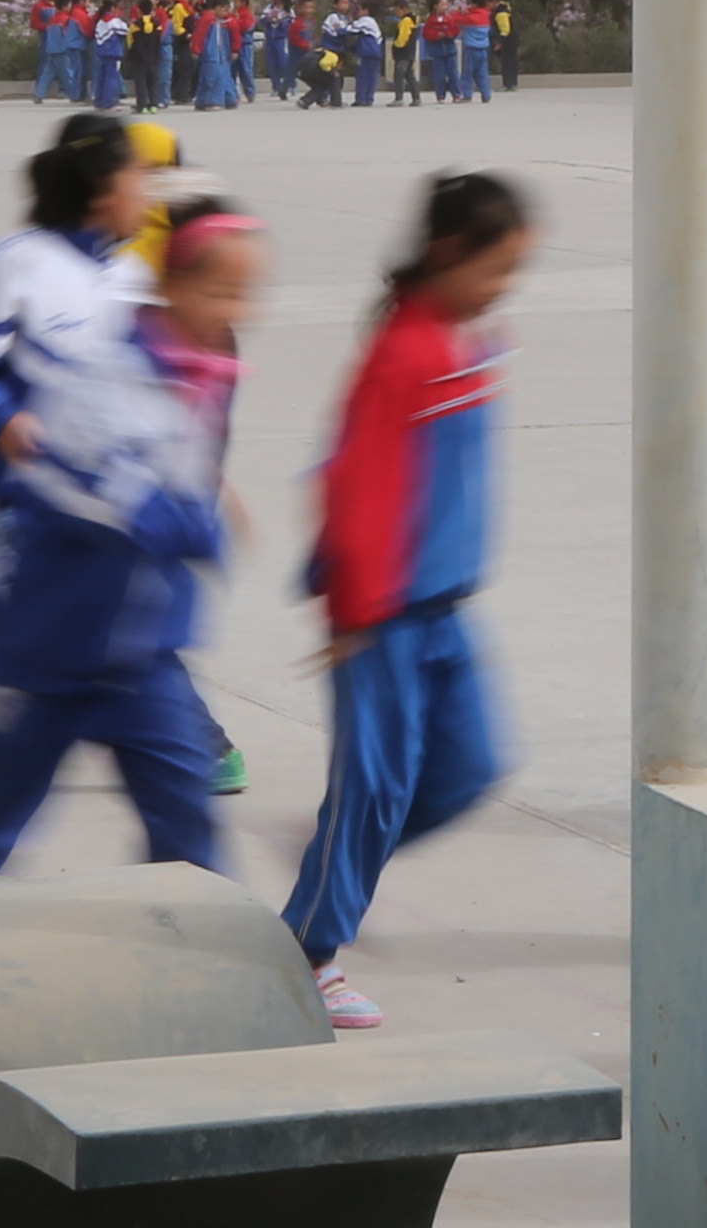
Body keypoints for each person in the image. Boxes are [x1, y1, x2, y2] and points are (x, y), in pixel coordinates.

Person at [0, 133, 252, 889]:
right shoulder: (21, 265)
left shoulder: (137, 277)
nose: (152, 191)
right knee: (26, 715)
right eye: (142, 177)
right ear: (102, 188)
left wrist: (195, 480)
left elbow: (170, 397)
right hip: (17, 516)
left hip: (121, 562)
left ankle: (198, 928)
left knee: (173, 776)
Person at [282, 172, 532, 1028]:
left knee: (468, 769)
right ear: (446, 254)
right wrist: (352, 606)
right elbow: (355, 483)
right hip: (380, 616)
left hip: (446, 608)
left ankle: (335, 864)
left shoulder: (471, 340)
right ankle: (307, 951)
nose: (504, 290)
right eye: (495, 269)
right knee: (377, 785)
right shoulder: (406, 353)